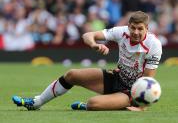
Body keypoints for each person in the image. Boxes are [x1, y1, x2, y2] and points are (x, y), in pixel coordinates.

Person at [12, 11, 162, 111]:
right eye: (133, 28)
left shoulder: (154, 45)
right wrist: (94, 44)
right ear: (128, 26)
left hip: (131, 91)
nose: (135, 32)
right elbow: (87, 35)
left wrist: (140, 105)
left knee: (92, 104)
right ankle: (36, 103)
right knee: (72, 75)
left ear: (146, 28)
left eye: (140, 29)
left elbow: (147, 81)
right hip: (117, 77)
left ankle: (93, 106)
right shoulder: (121, 32)